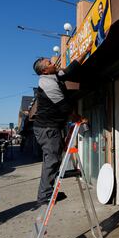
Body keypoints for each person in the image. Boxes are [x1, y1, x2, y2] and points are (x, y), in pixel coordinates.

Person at [32, 45, 91, 207]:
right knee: (52, 160)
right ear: (44, 70)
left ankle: (46, 192)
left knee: (52, 159)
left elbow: (69, 71)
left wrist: (85, 51)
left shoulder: (54, 76)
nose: (53, 62)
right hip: (47, 129)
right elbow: (65, 108)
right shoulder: (48, 85)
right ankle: (45, 196)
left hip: (51, 127)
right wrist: (80, 118)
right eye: (49, 63)